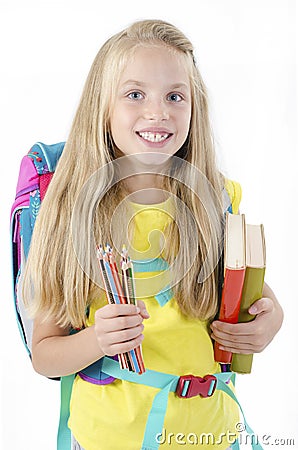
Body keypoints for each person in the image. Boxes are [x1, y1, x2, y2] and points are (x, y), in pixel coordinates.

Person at [22, 20, 283, 450]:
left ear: (194, 107)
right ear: (102, 108)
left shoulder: (214, 198)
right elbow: (45, 355)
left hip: (213, 432)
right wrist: (96, 340)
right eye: (135, 94)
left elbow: (253, 296)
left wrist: (269, 321)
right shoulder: (71, 210)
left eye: (175, 96)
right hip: (113, 437)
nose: (158, 112)